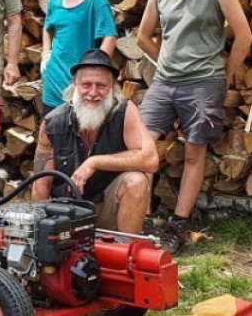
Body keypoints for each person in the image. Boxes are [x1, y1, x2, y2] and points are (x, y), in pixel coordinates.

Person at [137, 0, 252, 252]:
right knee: (142, 147)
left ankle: (178, 224)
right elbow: (142, 36)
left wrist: (225, 74)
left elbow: (245, 36)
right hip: (165, 82)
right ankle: (141, 218)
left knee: (193, 151)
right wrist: (164, 61)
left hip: (204, 82)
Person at [31, 49, 158, 233]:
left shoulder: (125, 111)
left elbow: (151, 160)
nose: (93, 92)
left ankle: (125, 248)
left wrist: (94, 162)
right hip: (67, 213)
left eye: (101, 85)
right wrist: (41, 234)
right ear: (75, 84)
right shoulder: (53, 123)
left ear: (112, 86)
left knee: (136, 181)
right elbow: (41, 186)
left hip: (108, 208)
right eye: (86, 85)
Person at [40, 0, 117, 113]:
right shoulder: (54, 2)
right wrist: (46, 54)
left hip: (83, 87)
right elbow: (47, 28)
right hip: (53, 83)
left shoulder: (96, 0)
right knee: (50, 127)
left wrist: (97, 68)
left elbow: (110, 36)